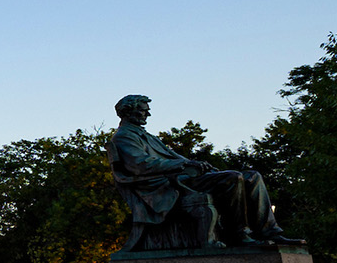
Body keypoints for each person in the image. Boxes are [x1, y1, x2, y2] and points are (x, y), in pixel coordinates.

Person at [107, 95, 303, 251]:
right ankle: (240, 234)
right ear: (128, 112)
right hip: (165, 186)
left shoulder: (144, 134)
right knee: (233, 179)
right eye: (143, 111)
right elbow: (141, 165)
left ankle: (270, 231)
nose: (147, 115)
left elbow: (177, 158)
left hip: (182, 178)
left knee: (253, 176)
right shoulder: (124, 136)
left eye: (147, 111)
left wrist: (198, 165)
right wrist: (182, 166)